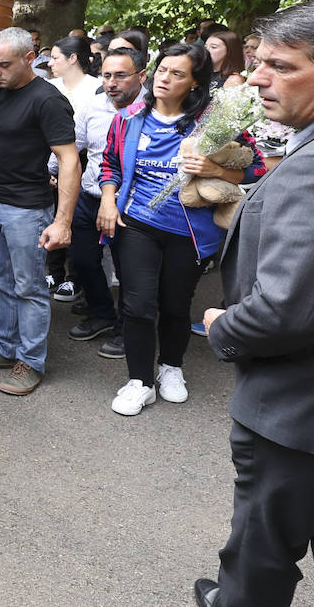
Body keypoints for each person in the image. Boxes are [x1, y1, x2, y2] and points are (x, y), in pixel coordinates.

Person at [194, 0, 314, 607]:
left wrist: (221, 326)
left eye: (282, 66)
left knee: (257, 562)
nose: (258, 77)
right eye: (258, 61)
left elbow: (286, 311)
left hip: (307, 417)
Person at [98, 43, 265, 417]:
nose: (164, 79)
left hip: (191, 232)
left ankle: (171, 367)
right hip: (137, 223)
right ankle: (139, 382)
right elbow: (109, 164)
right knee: (137, 303)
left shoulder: (214, 123)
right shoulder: (129, 117)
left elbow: (255, 170)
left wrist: (215, 170)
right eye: (161, 70)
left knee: (174, 305)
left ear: (194, 83)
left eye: (177, 74)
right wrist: (109, 201)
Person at [0, 28, 79, 396]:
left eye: (4, 65)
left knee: (29, 287)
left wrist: (62, 221)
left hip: (28, 209)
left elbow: (70, 161)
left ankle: (30, 360)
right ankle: (6, 348)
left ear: (30, 59)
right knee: (2, 282)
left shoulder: (48, 100)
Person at [64, 47, 146, 352]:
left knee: (129, 271)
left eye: (120, 76)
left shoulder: (153, 110)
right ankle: (101, 313)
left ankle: (128, 329)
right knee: (83, 260)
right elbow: (73, 146)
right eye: (107, 75)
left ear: (141, 76)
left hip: (132, 202)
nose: (112, 82)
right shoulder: (92, 106)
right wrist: (47, 171)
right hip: (89, 196)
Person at [46, 35, 100, 302]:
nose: (51, 62)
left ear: (73, 59)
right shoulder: (50, 86)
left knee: (77, 221)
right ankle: (54, 271)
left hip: (85, 161)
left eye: (55, 57)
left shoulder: (96, 88)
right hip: (52, 161)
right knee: (54, 216)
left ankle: (73, 278)